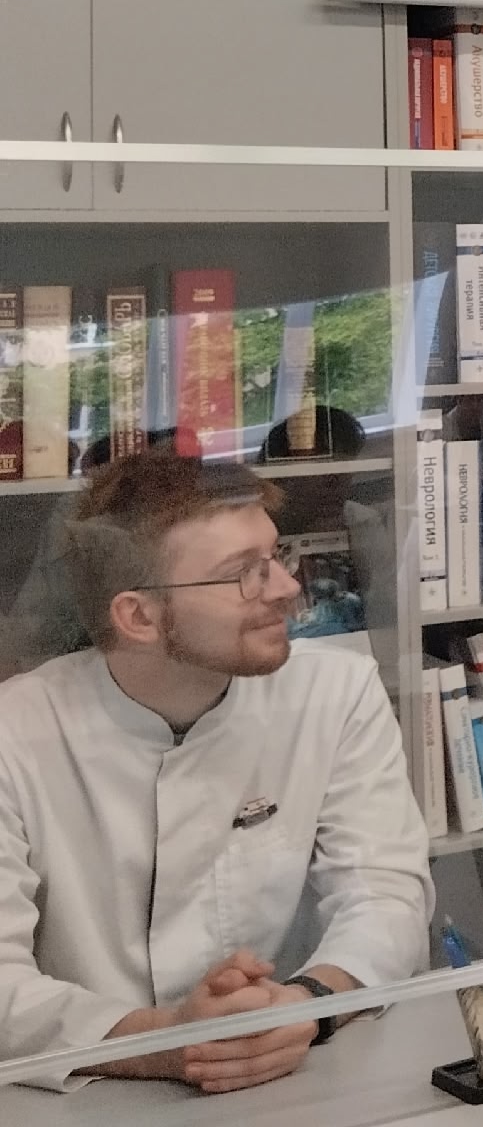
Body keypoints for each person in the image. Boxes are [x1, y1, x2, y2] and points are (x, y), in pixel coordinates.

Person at [0, 450, 431, 1091]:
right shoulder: (17, 733)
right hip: (92, 1094)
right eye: (243, 574)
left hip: (298, 1078)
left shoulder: (337, 692)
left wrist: (307, 1004)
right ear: (138, 616)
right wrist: (165, 1042)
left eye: (276, 557)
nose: (286, 588)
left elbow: (386, 896)